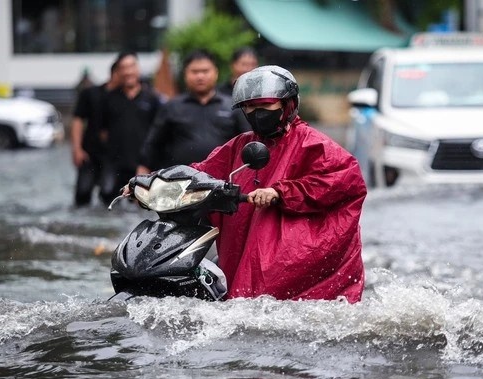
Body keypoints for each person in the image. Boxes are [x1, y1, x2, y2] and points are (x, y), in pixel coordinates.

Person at [124, 65, 367, 303]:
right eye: (250, 107)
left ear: (288, 104)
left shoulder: (314, 145)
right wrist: (150, 184)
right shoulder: (239, 146)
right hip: (242, 245)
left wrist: (280, 192)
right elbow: (200, 172)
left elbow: (344, 180)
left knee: (259, 304)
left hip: (287, 253)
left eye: (265, 106)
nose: (257, 112)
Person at [137, 49, 250, 173]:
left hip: (224, 180)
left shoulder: (233, 106)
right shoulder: (172, 107)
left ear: (215, 73)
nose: (200, 76)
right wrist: (141, 176)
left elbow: (249, 142)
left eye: (205, 71)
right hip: (180, 181)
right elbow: (153, 145)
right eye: (195, 72)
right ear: (186, 74)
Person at [101, 52, 162, 197]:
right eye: (123, 67)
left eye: (131, 66)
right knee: (108, 197)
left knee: (143, 203)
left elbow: (160, 132)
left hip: (144, 163)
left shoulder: (152, 97)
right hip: (115, 164)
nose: (128, 71)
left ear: (138, 69)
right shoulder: (108, 98)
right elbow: (102, 132)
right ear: (118, 71)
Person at [70, 55, 125, 207]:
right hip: (89, 153)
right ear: (115, 73)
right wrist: (76, 148)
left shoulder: (126, 98)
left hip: (114, 157)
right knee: (82, 193)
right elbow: (77, 120)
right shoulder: (91, 93)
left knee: (110, 194)